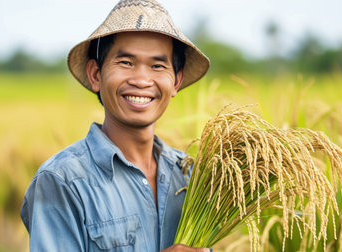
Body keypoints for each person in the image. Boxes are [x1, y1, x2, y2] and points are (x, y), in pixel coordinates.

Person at [20, 0, 210, 251]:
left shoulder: (192, 177)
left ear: (176, 81)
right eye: (126, 63)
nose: (142, 80)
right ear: (96, 75)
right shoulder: (62, 181)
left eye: (157, 66)